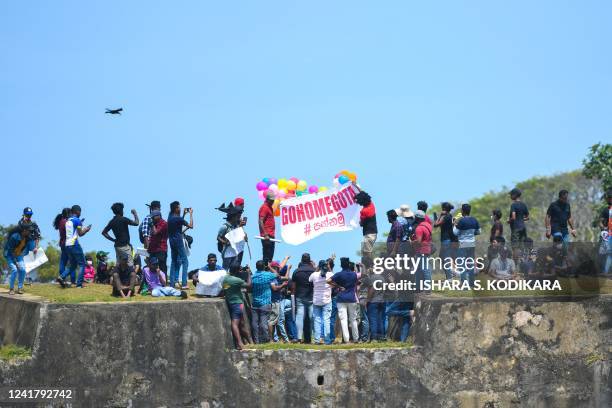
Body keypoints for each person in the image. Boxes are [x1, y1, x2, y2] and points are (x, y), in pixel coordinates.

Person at [57, 205, 92, 288]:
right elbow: (80, 234)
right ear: (78, 212)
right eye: (80, 212)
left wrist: (80, 224)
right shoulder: (77, 220)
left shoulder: (68, 220)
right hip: (74, 244)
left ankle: (61, 276)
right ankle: (79, 284)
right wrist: (86, 230)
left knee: (73, 265)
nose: (80, 213)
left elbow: (74, 230)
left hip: (67, 245)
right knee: (82, 264)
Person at [328, 258, 360, 343]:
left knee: (343, 320)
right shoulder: (354, 274)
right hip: (352, 298)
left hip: (341, 298)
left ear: (341, 265)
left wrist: (338, 286)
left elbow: (328, 281)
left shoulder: (339, 274)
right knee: (353, 319)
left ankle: (346, 339)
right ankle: (356, 338)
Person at [223, 264, 253, 350]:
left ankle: (250, 342)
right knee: (235, 323)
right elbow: (249, 285)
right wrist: (248, 274)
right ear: (237, 271)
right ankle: (240, 343)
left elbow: (225, 289)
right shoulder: (236, 280)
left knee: (242, 323)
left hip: (230, 302)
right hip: (237, 303)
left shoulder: (225, 278)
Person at [250, 260, 280, 343]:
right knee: (264, 322)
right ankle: (266, 339)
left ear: (256, 267)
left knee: (254, 323)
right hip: (265, 302)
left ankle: (256, 340)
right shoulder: (268, 275)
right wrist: (270, 267)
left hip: (255, 302)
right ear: (264, 267)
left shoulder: (253, 276)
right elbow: (277, 274)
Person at [102, 202, 139, 267]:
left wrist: (113, 240)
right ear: (121, 210)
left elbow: (104, 233)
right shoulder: (123, 219)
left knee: (119, 265)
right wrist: (135, 213)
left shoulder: (112, 221)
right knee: (130, 265)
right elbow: (136, 223)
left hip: (117, 246)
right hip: (125, 246)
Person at [453, 203, 481, 287]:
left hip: (463, 244)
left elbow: (455, 233)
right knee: (470, 264)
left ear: (462, 211)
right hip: (472, 244)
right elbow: (479, 232)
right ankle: (471, 283)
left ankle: (463, 283)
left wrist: (454, 225)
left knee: (462, 264)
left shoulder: (461, 221)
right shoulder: (474, 220)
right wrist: (472, 233)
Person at [168, 201, 193, 289]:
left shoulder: (170, 217)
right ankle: (184, 284)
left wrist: (183, 214)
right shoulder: (178, 219)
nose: (180, 208)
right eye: (179, 207)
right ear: (176, 209)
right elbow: (191, 226)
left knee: (173, 262)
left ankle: (172, 284)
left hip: (171, 241)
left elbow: (179, 224)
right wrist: (190, 214)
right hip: (178, 242)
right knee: (185, 261)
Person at [291, 253, 316, 343]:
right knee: (312, 317)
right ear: (309, 260)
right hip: (311, 296)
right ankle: (315, 337)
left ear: (301, 260)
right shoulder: (314, 271)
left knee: (300, 316)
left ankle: (298, 337)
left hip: (300, 296)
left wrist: (293, 296)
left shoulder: (296, 271)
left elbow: (293, 286)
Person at [3, 226, 35, 295]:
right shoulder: (14, 237)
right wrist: (15, 262)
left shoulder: (28, 238)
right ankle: (11, 289)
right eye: (29, 231)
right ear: (24, 230)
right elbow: (10, 250)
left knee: (23, 269)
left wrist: (34, 249)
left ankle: (20, 288)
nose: (30, 232)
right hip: (10, 255)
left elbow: (31, 247)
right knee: (14, 270)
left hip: (18, 254)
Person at [309, 259, 334, 345]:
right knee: (326, 320)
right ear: (327, 266)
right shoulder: (330, 274)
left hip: (316, 300)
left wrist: (317, 269)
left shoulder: (314, 275)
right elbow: (334, 279)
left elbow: (309, 280)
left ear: (319, 266)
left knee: (317, 320)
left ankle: (317, 340)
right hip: (327, 300)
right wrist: (329, 268)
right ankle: (327, 340)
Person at [217, 203, 247, 270]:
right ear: (233, 217)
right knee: (225, 268)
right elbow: (218, 237)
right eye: (237, 216)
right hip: (227, 250)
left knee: (234, 268)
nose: (239, 218)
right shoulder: (225, 227)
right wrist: (225, 242)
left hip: (235, 250)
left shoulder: (236, 226)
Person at [268, 258, 290, 343]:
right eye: (277, 268)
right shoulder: (272, 277)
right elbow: (274, 288)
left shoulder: (277, 276)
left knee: (277, 320)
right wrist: (282, 286)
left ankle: (276, 339)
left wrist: (288, 269)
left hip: (278, 300)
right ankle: (273, 339)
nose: (278, 269)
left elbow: (286, 278)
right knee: (273, 320)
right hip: (273, 301)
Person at [355, 191, 377, 268]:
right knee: (367, 252)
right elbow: (363, 193)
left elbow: (361, 223)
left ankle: (372, 267)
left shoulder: (364, 211)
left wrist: (359, 222)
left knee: (367, 252)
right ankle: (370, 266)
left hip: (369, 234)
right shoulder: (371, 204)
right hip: (373, 232)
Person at [434, 202, 457, 280]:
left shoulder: (446, 217)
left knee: (445, 259)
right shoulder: (449, 216)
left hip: (446, 240)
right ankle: (451, 274)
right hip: (448, 240)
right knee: (442, 258)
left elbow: (435, 225)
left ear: (443, 208)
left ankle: (450, 277)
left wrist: (440, 216)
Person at [412, 210, 433, 291]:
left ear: (417, 218)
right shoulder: (428, 225)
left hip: (421, 250)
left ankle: (427, 288)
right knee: (418, 269)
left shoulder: (419, 228)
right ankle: (418, 287)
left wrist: (411, 242)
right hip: (427, 248)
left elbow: (418, 241)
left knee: (425, 269)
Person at [508, 188, 529, 259]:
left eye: (511, 194)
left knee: (515, 246)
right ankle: (523, 261)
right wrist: (521, 219)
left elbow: (513, 217)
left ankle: (516, 264)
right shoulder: (523, 205)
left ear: (515, 195)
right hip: (523, 227)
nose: (510, 196)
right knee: (522, 246)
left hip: (516, 228)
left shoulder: (513, 205)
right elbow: (527, 217)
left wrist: (509, 220)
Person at [53, 208, 72, 284]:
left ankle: (62, 277)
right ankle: (68, 279)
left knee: (63, 262)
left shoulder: (61, 221)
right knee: (72, 262)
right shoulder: (66, 222)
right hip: (68, 243)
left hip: (62, 243)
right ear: (68, 214)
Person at [258, 192, 276, 263]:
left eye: (273, 200)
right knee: (267, 256)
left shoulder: (269, 207)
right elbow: (261, 221)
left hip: (271, 235)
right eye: (271, 200)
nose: (273, 202)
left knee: (270, 257)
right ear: (267, 199)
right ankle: (264, 271)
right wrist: (265, 234)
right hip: (267, 236)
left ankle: (267, 271)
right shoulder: (264, 207)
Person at [600, 190, 612, 275]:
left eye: (610, 198)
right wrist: (603, 229)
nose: (609, 200)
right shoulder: (605, 210)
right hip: (609, 234)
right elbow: (600, 221)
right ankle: (605, 271)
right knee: (608, 253)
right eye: (608, 198)